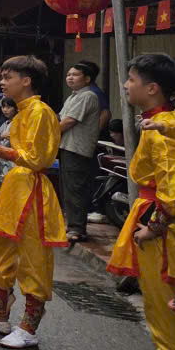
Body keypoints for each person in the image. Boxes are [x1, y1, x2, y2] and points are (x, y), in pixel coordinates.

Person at [109, 54, 175, 350]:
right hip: (163, 223)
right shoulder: (165, 122)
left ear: (152, 88)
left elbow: (172, 190)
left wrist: (153, 226)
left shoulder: (162, 129)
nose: (126, 85)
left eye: (132, 79)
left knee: (162, 303)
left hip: (165, 232)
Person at [0, 54, 65, 350]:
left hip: (32, 188)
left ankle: (29, 328)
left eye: (8, 77)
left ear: (26, 81)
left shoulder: (41, 112)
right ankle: (0, 315)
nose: (2, 82)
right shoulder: (21, 112)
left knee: (33, 258)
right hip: (14, 186)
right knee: (0, 248)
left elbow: (38, 159)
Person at [58, 60, 102, 244]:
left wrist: (46, 133)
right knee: (68, 188)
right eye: (68, 74)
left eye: (75, 75)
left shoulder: (88, 96)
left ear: (87, 79)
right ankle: (73, 224)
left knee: (76, 188)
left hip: (78, 149)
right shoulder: (73, 96)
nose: (70, 77)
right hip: (68, 146)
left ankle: (77, 229)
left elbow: (68, 122)